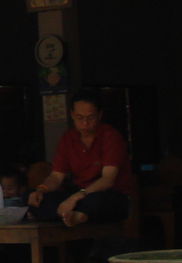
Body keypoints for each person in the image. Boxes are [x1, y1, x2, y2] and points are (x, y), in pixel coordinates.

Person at [27, 94, 134, 226]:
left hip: (107, 195)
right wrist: (41, 190)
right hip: (78, 196)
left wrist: (77, 196)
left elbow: (108, 180)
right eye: (80, 118)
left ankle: (73, 215)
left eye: (91, 118)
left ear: (100, 115)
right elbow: (56, 176)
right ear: (72, 114)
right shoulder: (68, 138)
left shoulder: (111, 137)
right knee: (33, 198)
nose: (85, 123)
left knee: (97, 201)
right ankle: (73, 214)